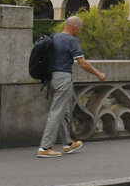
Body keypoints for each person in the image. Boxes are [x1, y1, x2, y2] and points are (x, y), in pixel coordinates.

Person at [38, 16, 107, 158]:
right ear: (75, 27)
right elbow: (82, 63)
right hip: (63, 78)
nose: (79, 31)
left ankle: (68, 144)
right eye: (79, 29)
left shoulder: (54, 37)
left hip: (49, 78)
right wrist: (98, 74)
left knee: (64, 111)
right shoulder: (72, 41)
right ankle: (45, 147)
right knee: (57, 112)